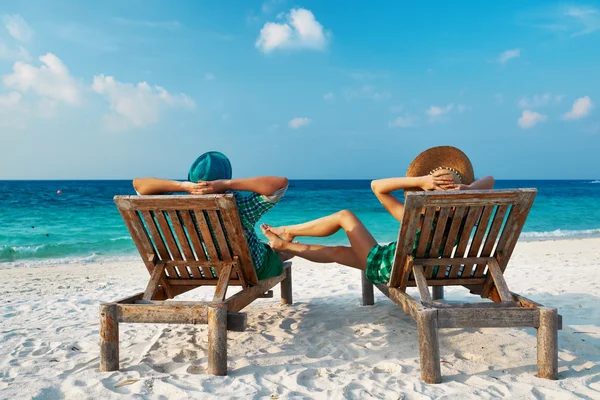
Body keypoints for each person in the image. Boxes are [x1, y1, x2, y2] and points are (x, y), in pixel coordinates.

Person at [260, 146, 495, 285]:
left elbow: (376, 186)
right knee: (338, 252)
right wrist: (468, 191)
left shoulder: (417, 218)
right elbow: (490, 179)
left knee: (345, 216)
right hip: (421, 268)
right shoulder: (466, 219)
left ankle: (287, 232)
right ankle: (285, 245)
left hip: (392, 268)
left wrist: (419, 181)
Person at [132, 151, 289, 281]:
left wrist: (182, 186)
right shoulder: (239, 205)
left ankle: (285, 248)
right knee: (270, 254)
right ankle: (286, 249)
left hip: (211, 270)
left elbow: (139, 184)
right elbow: (281, 183)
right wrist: (227, 184)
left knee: (265, 248)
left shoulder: (180, 208)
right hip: (250, 269)